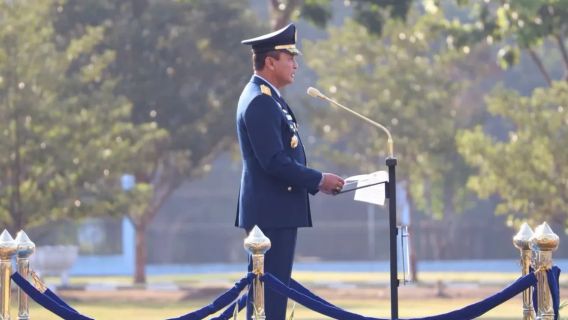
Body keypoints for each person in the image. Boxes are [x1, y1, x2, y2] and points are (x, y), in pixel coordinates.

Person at [235, 23, 345, 320]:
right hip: (270, 215)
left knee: (272, 297)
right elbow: (274, 161)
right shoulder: (260, 100)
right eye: (290, 58)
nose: (296, 64)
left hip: (276, 211)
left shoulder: (269, 97)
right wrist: (319, 180)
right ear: (270, 62)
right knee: (267, 303)